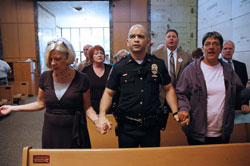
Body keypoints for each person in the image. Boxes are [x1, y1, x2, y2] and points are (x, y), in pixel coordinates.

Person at [0, 38, 100, 149]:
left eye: (57, 59)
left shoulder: (82, 79)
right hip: (51, 130)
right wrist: (12, 108)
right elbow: (40, 103)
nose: (52, 63)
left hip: (75, 130)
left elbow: (88, 108)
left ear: (68, 58)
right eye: (50, 59)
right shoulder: (45, 77)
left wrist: (97, 120)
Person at [96, 24, 179, 148]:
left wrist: (176, 111)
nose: (136, 39)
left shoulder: (158, 64)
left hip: (151, 127)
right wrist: (102, 115)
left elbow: (169, 88)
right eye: (132, 36)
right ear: (127, 41)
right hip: (127, 128)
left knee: (151, 162)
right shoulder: (119, 67)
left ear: (148, 41)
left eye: (140, 36)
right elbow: (108, 93)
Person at [176, 31, 250, 145]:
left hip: (223, 132)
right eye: (207, 44)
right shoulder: (191, 70)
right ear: (203, 48)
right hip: (196, 132)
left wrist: (247, 93)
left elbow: (240, 92)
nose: (211, 47)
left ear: (220, 48)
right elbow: (181, 93)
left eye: (215, 44)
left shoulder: (228, 71)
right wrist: (184, 108)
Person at [82, 45, 112, 114]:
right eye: (96, 54)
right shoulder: (86, 70)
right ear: (92, 57)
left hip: (109, 107)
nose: (100, 55)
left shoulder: (111, 69)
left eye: (101, 53)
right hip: (91, 108)